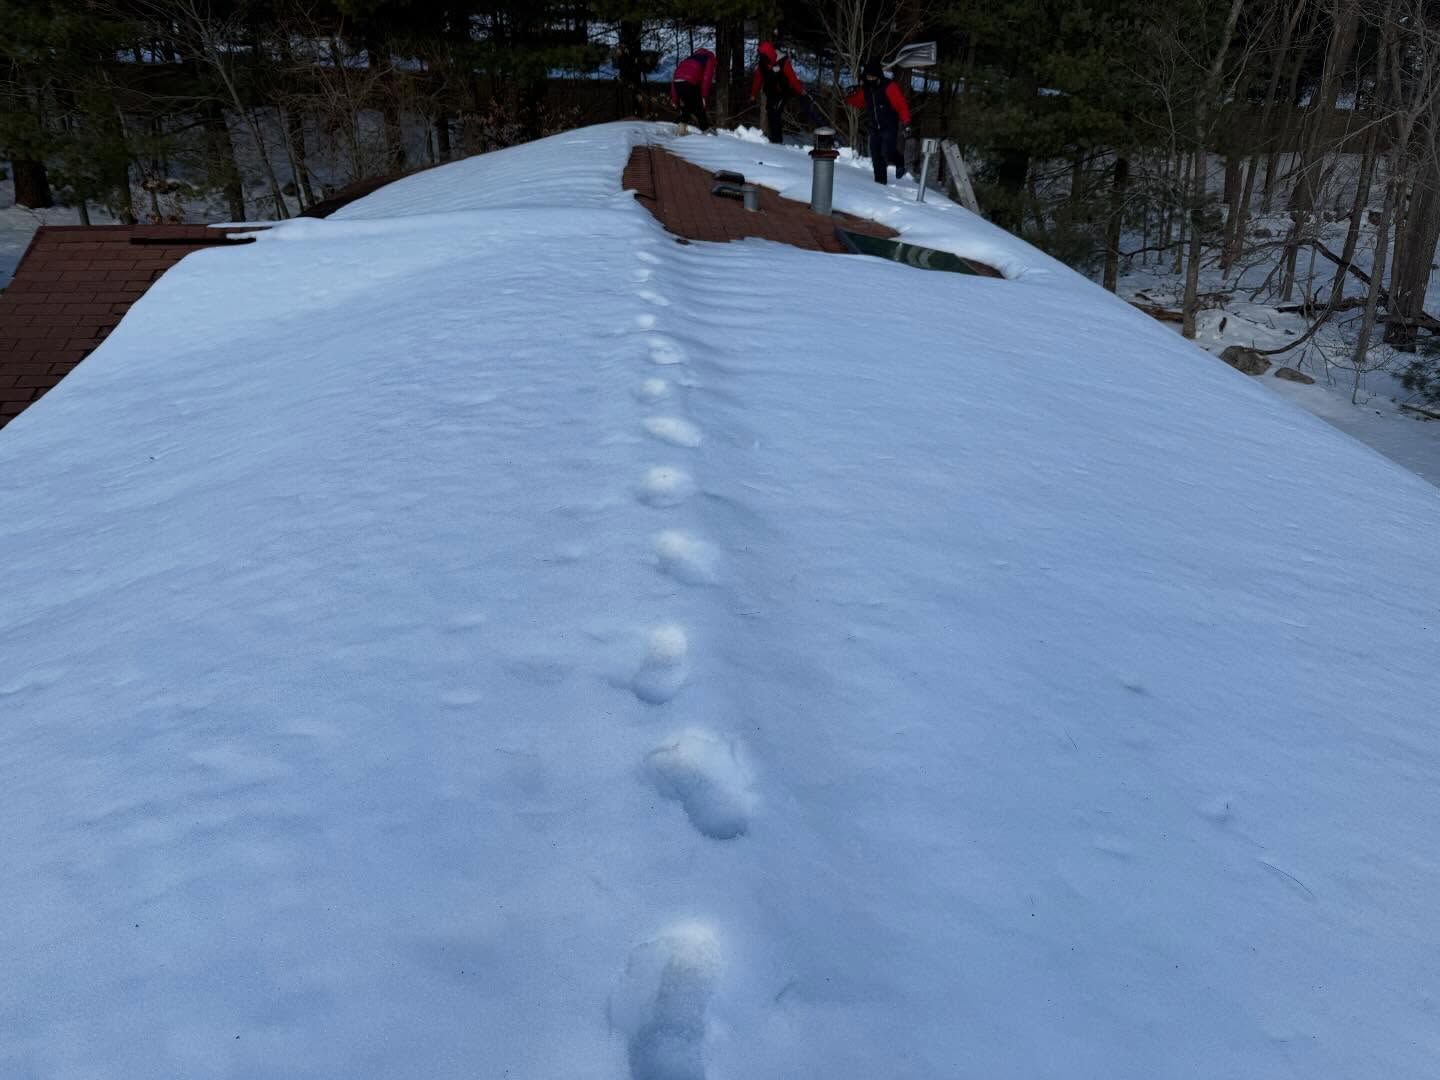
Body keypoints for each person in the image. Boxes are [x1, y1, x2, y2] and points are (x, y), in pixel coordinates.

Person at [845, 59, 912, 185]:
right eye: (868, 76)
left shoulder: (889, 87)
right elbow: (859, 103)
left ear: (878, 75)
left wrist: (906, 122)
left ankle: (899, 162)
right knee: (876, 156)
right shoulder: (865, 88)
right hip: (874, 126)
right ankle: (880, 184)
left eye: (872, 76)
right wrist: (850, 95)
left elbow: (901, 105)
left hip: (889, 126)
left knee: (888, 152)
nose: (870, 79)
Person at [750, 41, 815, 144]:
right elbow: (758, 78)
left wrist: (801, 90)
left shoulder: (783, 61)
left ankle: (777, 141)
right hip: (770, 93)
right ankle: (774, 140)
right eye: (760, 54)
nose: (761, 56)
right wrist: (753, 94)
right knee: (771, 114)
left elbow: (792, 78)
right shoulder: (762, 63)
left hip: (783, 93)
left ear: (768, 52)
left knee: (775, 114)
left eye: (763, 54)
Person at [671, 47, 717, 132]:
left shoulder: (688, 59)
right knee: (696, 106)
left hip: (678, 82)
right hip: (689, 82)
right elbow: (707, 79)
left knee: (692, 105)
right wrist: (704, 96)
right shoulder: (709, 58)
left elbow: (674, 78)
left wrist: (675, 99)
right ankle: (705, 130)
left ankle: (703, 128)